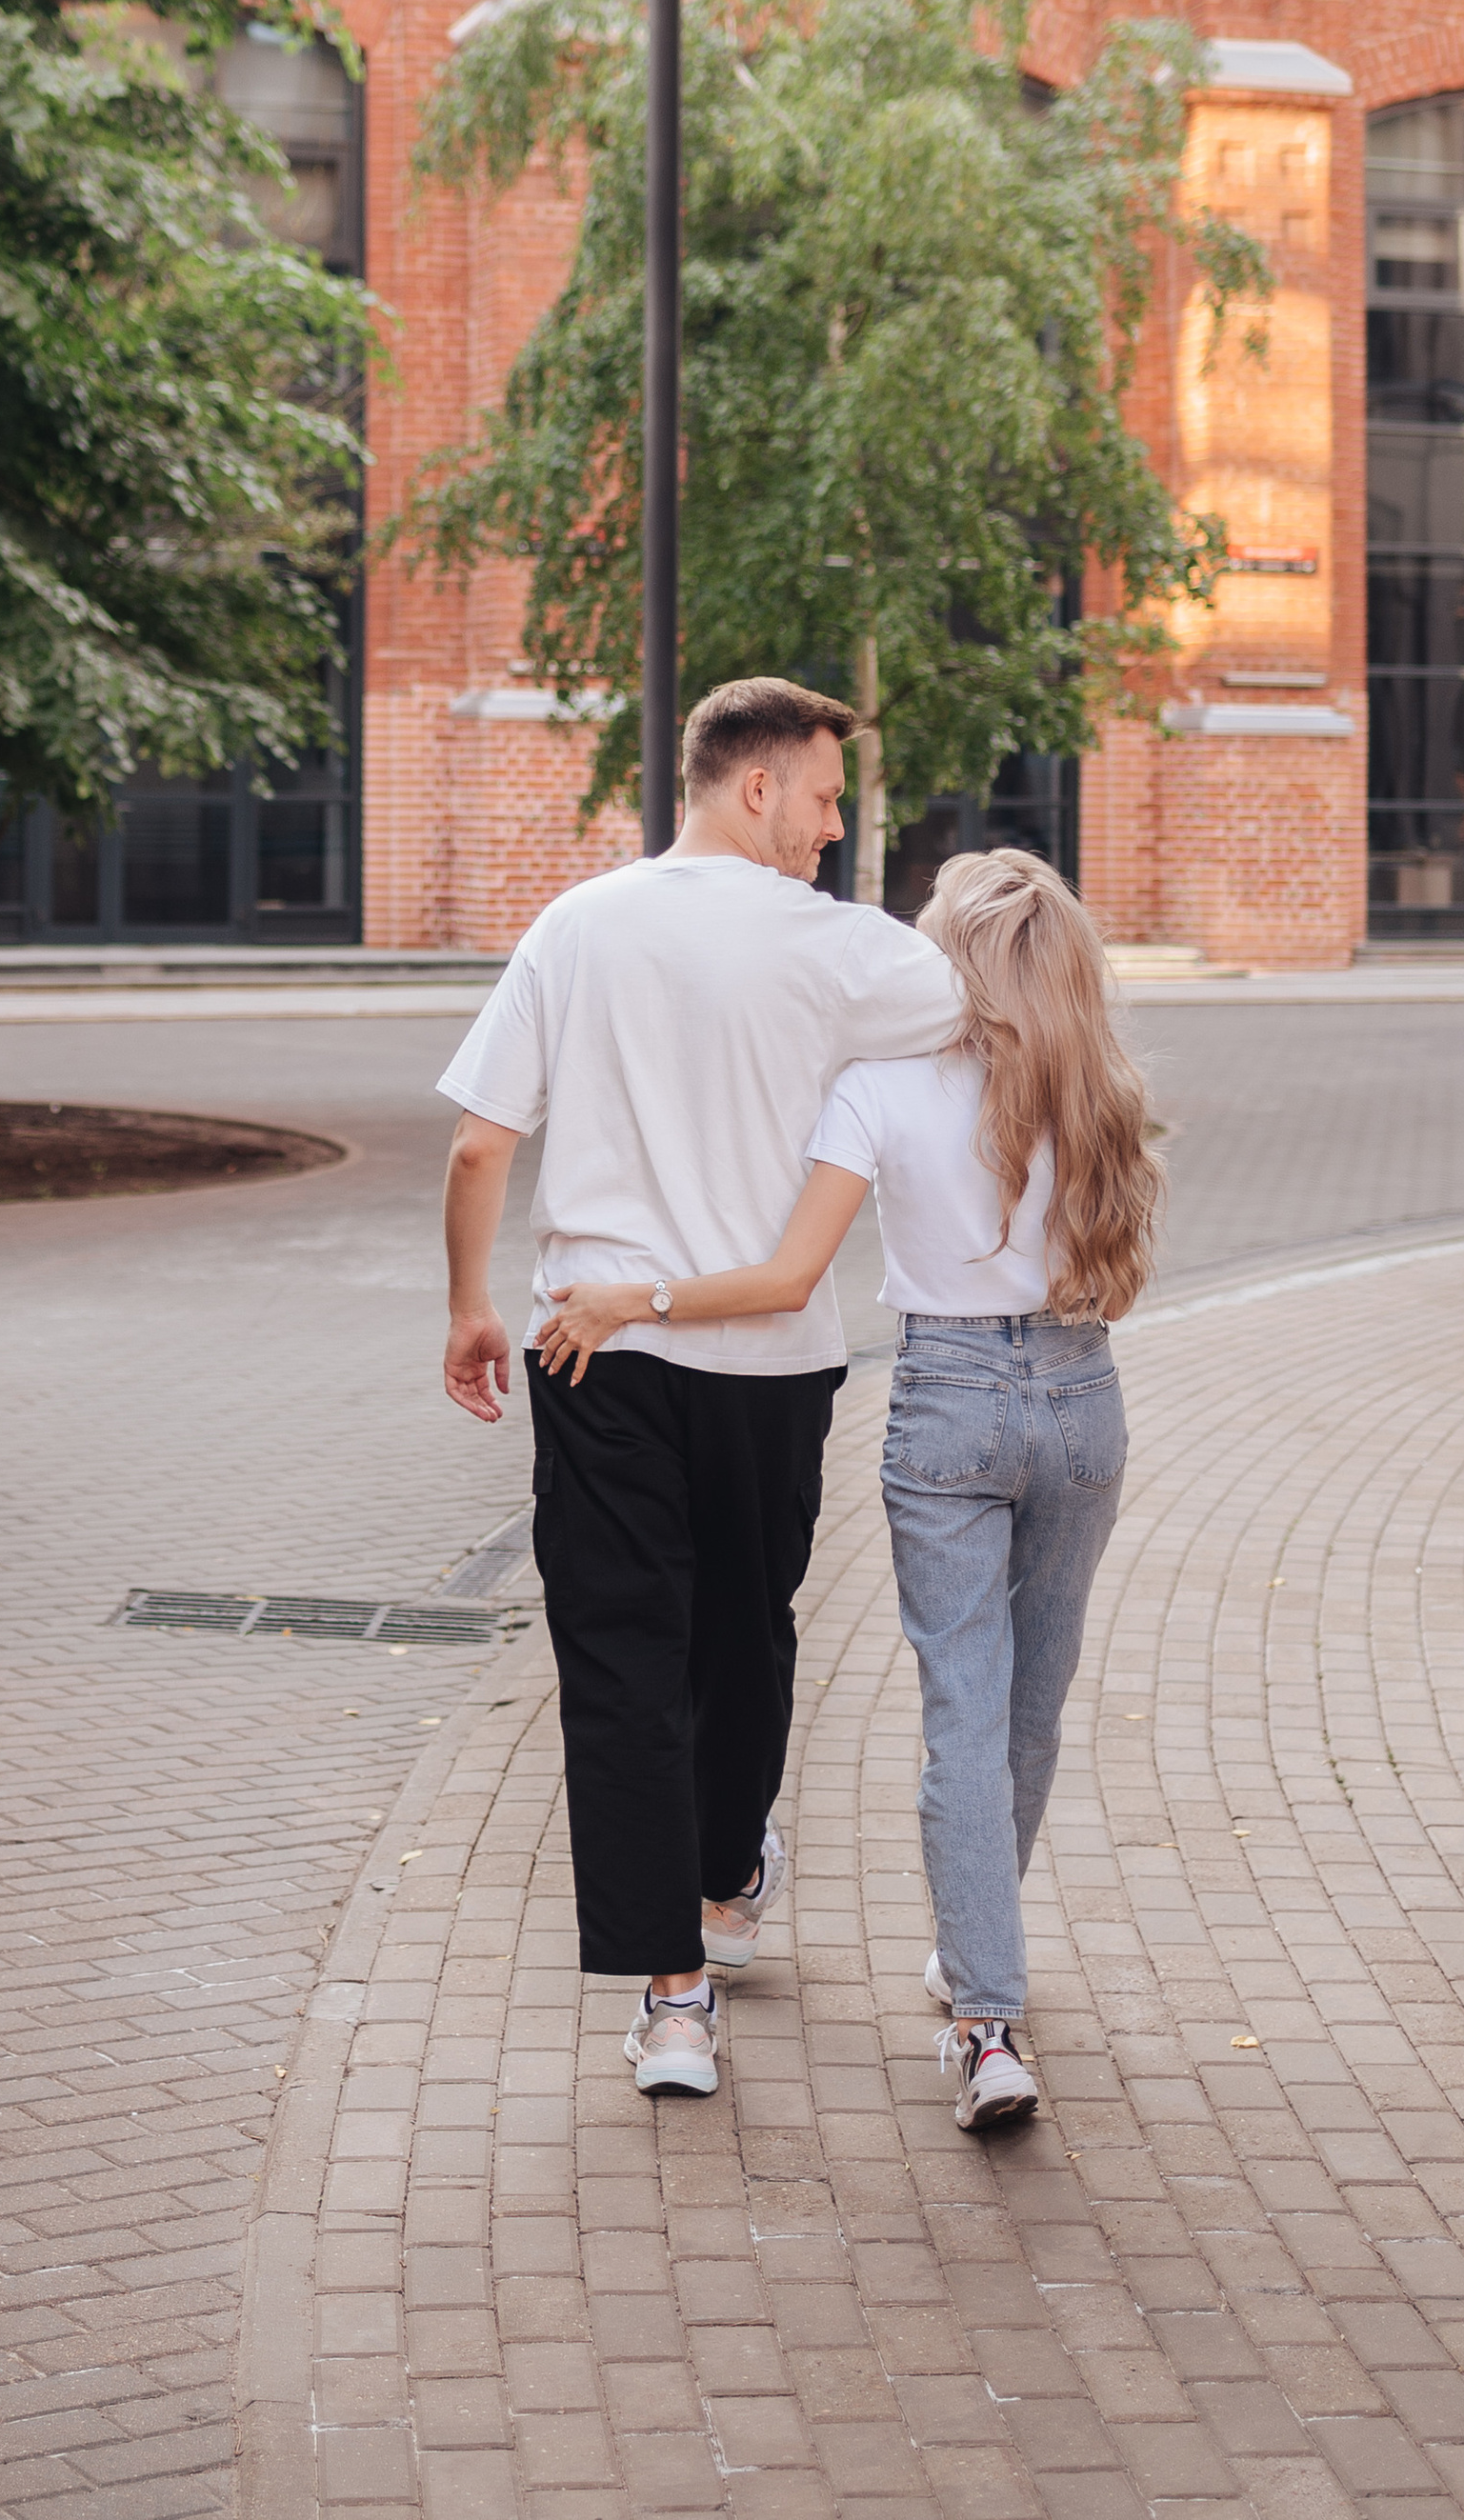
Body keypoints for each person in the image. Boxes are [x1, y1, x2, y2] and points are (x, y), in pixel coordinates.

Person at [539, 846, 1158, 2135]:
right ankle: (976, 1956)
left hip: (946, 1408)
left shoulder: (881, 1088)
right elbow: (1122, 1267)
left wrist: (635, 1297)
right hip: (1082, 1402)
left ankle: (989, 2027)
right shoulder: (1102, 1085)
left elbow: (779, 1282)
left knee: (961, 1719)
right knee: (1030, 1710)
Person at [436, 676, 965, 2098]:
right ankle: (730, 1871)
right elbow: (999, 1004)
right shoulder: (850, 951)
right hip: (768, 1368)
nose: (837, 826)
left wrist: (470, 1308)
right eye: (824, 795)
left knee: (618, 1665)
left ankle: (675, 2003)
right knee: (745, 1637)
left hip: (591, 1351)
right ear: (754, 787)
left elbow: (483, 1147)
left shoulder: (576, 924)